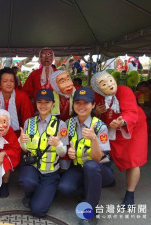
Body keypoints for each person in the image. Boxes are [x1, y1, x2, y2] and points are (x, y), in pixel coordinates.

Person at [57, 87, 115, 225]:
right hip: (78, 168)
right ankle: (90, 191)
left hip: (100, 169)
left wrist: (94, 139)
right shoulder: (69, 124)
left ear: (93, 105)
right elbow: (64, 150)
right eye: (78, 102)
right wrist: (68, 153)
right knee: (64, 188)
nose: (81, 106)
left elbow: (98, 159)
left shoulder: (100, 127)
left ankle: (90, 213)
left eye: (86, 103)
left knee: (90, 165)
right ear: (73, 104)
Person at [92, 71, 148, 207]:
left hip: (133, 127)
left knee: (133, 160)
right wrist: (96, 112)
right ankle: (109, 178)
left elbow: (130, 111)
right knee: (105, 153)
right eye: (103, 84)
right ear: (98, 88)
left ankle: (130, 193)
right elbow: (92, 113)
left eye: (110, 80)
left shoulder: (124, 91)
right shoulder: (97, 96)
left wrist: (123, 122)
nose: (110, 85)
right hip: (111, 128)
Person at [19, 89, 69, 218]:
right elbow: (25, 149)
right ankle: (30, 193)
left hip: (50, 171)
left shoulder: (61, 124)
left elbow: (63, 154)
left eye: (47, 102)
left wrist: (58, 145)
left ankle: (46, 192)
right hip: (32, 167)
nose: (43, 105)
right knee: (27, 182)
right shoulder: (28, 122)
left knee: (38, 211)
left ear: (53, 103)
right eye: (39, 102)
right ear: (35, 103)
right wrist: (21, 142)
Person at [0, 67, 34, 137]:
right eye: (5, 81)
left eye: (11, 81)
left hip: (18, 135)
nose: (9, 84)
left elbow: (28, 119)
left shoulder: (22, 96)